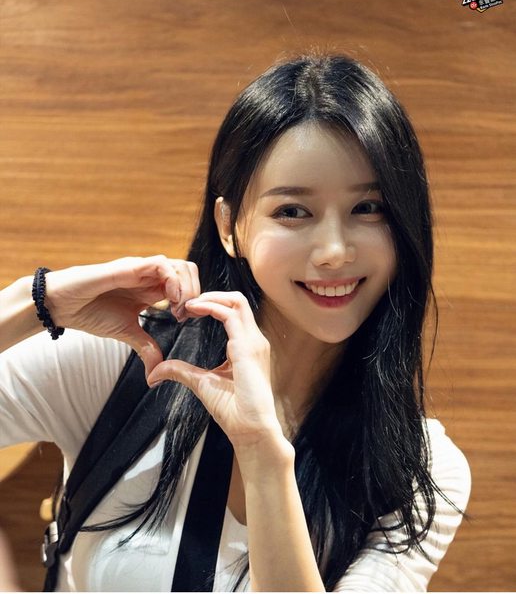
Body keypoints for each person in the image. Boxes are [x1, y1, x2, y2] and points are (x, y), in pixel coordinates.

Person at [0, 53, 471, 592]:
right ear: (230, 227)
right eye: (292, 211)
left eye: (368, 208)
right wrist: (37, 301)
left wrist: (263, 454)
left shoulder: (419, 470)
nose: (335, 251)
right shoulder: (130, 360)